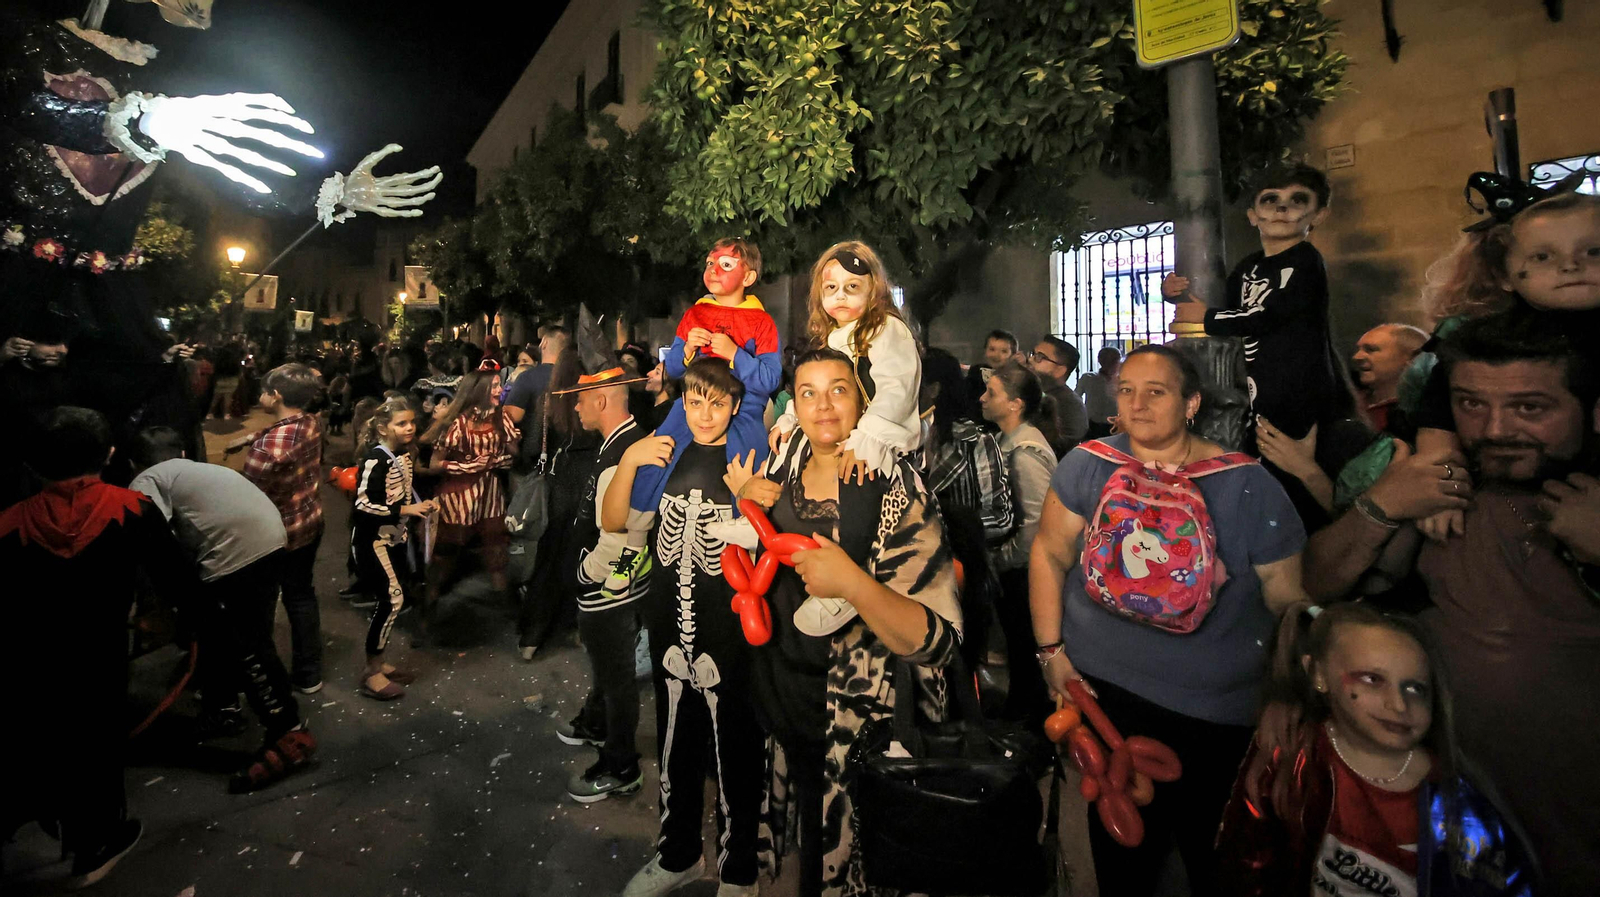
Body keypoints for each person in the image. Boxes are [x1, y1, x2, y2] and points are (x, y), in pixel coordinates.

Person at [1301, 311, 1600, 893]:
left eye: (1530, 408)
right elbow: (1319, 583)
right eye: (1469, 404)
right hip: (1451, 843)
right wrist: (1382, 504)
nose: (1493, 429)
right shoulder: (1443, 492)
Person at [1029, 344, 1308, 896]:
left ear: (1191, 403)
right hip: (1103, 693)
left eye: (1156, 391)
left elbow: (1289, 602)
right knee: (1122, 856)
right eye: (1127, 390)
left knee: (1215, 858)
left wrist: (1287, 695)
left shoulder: (1249, 485)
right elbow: (1050, 553)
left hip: (1215, 714)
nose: (1138, 404)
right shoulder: (1088, 464)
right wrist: (1051, 653)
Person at [728, 348, 962, 897]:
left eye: (838, 390)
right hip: (785, 695)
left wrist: (855, 583)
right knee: (812, 837)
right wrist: (745, 495)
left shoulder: (892, 484)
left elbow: (937, 642)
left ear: (863, 400)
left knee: (856, 858)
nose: (823, 406)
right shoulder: (785, 460)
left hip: (860, 720)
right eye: (807, 392)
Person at [1216, 603, 1538, 896]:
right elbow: (1245, 861)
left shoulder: (1459, 805)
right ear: (1318, 674)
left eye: (1414, 689)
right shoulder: (1291, 756)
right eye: (1372, 679)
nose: (1398, 705)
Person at [0, 409, 195, 888]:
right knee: (94, 741)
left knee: (29, 739)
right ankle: (95, 841)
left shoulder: (9, 523)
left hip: (27, 657)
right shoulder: (132, 509)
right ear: (109, 455)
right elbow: (178, 579)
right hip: (98, 654)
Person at [602, 359, 765, 897]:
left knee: (736, 751)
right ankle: (679, 855)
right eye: (695, 401)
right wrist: (629, 459)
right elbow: (619, 521)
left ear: (736, 406)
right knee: (676, 748)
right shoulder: (665, 452)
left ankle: (740, 871)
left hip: (731, 635)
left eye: (717, 403)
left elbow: (771, 533)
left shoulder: (750, 457)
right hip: (670, 629)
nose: (704, 413)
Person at [125, 427, 319, 792]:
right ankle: (223, 707)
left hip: (236, 555)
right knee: (220, 633)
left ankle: (288, 732)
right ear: (181, 450)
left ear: (134, 461)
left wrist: (154, 600)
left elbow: (151, 532)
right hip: (269, 541)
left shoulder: (147, 478)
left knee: (247, 645)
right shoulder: (197, 470)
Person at [1410, 186, 1600, 541]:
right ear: (1503, 275)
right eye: (1543, 257)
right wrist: (1443, 489)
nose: (1572, 265)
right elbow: (1436, 424)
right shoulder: (1480, 344)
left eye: (1594, 251)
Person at [619, 239, 782, 599]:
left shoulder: (763, 322)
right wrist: (688, 350)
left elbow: (771, 379)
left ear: (749, 276)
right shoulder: (694, 314)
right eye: (710, 263)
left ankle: (750, 547)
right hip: (691, 404)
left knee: (752, 464)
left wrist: (735, 355)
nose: (713, 270)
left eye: (726, 265)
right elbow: (673, 368)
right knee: (656, 452)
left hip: (745, 408)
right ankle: (633, 545)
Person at [1167, 163, 1360, 447]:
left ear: (1319, 215)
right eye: (1271, 199)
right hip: (1259, 390)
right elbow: (1225, 306)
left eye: (1298, 200)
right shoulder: (1249, 266)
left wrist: (1208, 318)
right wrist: (1175, 293)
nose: (1282, 210)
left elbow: (1272, 314)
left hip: (1300, 391)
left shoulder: (1306, 261)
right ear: (1253, 215)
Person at [550, 367, 651, 802]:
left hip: (610, 589)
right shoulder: (621, 444)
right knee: (608, 665)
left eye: (581, 398)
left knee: (617, 678)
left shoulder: (627, 451)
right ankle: (594, 724)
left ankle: (621, 764)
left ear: (603, 401)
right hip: (612, 584)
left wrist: (594, 577)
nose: (575, 405)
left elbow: (629, 535)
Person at [241, 362, 327, 695]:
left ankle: (262, 674)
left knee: (260, 604)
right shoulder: (311, 423)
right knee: (301, 596)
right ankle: (309, 673)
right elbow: (285, 430)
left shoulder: (266, 450)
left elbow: (248, 495)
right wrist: (247, 437)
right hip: (310, 522)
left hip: (275, 535)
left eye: (264, 391)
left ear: (274, 396)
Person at [978, 360, 1057, 722]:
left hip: (1026, 572)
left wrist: (1003, 560)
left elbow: (1036, 523)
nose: (982, 398)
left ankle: (1029, 724)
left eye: (992, 393)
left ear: (1015, 404)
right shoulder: (1007, 442)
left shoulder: (1025, 451)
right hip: (1018, 568)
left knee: (1025, 649)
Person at [417, 366, 519, 642]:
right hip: (457, 496)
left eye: (500, 385)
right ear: (479, 391)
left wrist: (508, 447)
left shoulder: (501, 418)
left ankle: (508, 614)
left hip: (489, 494)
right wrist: (469, 465)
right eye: (495, 386)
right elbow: (436, 464)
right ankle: (427, 612)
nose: (500, 390)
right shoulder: (458, 423)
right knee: (445, 556)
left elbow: (513, 453)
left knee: (496, 551)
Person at [352, 398, 437, 700]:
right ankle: (371, 672)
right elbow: (364, 504)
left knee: (393, 600)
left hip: (395, 539)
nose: (410, 428)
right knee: (391, 600)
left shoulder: (403, 454)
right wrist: (407, 509)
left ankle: (378, 663)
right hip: (374, 541)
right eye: (402, 423)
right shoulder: (378, 459)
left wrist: (415, 509)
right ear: (382, 427)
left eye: (412, 422)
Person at [1351, 323, 1428, 436]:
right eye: (1359, 349)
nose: (1357, 357)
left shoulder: (1423, 415)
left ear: (1413, 358)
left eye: (1370, 349)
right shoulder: (1347, 401)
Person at [1028, 335, 1089, 456]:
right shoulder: (1029, 392)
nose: (1030, 360)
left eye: (1040, 357)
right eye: (1032, 354)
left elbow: (1057, 449)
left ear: (1059, 370)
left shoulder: (1071, 405)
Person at [505, 326, 566, 429]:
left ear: (544, 343)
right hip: (569, 443)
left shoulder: (526, 378)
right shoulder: (578, 377)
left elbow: (510, 416)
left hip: (534, 443)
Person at [965, 329, 1018, 419]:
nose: (996, 355)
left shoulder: (1016, 377)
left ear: (1013, 355)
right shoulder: (976, 372)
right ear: (985, 351)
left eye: (1004, 351)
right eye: (992, 349)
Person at [1075, 346, 1122, 438]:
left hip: (1110, 424)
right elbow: (1076, 398)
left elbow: (1076, 397)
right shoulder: (1088, 378)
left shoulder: (1088, 378)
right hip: (1094, 425)